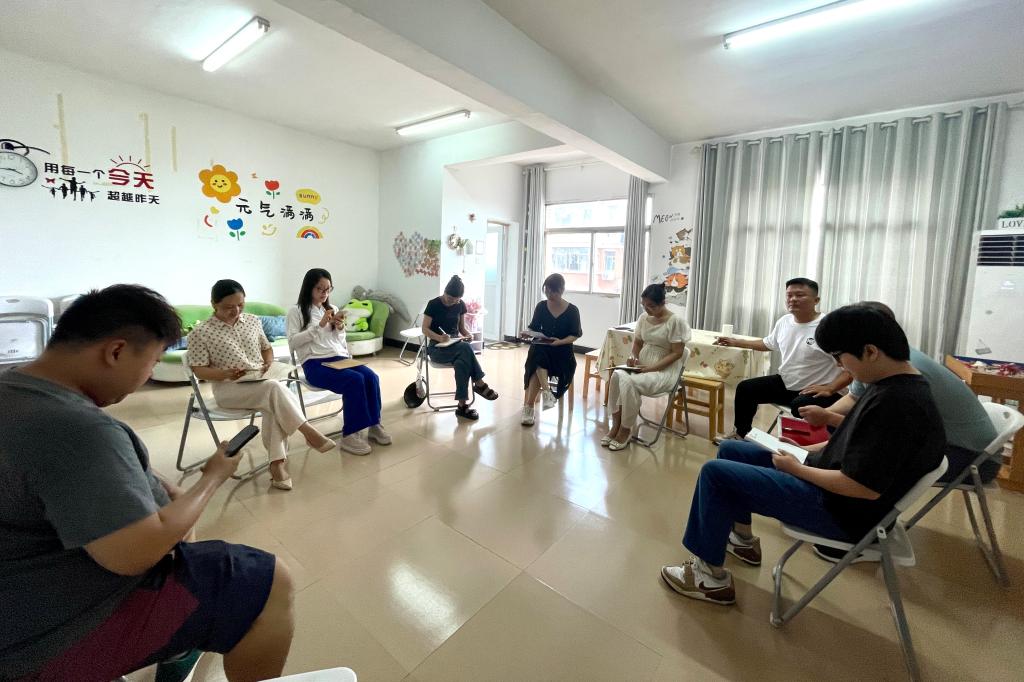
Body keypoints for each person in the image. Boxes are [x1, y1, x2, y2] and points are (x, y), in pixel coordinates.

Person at [0, 285, 294, 681]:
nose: (145, 379)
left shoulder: (14, 391)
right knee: (267, 580)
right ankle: (179, 641)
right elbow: (134, 554)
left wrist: (144, 478)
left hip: (23, 584)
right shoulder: (78, 430)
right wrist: (211, 478)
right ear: (116, 351)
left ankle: (179, 643)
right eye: (152, 361)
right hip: (40, 636)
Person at [660, 305, 945, 606]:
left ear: (871, 351)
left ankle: (709, 579)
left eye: (840, 357)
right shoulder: (889, 385)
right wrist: (803, 451)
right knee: (732, 450)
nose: (840, 367)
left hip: (840, 510)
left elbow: (863, 487)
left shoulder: (898, 405)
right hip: (829, 480)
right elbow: (857, 443)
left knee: (715, 475)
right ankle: (742, 540)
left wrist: (796, 468)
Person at [798, 301, 997, 562]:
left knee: (869, 471)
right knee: (852, 454)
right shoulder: (888, 360)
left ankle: (858, 535)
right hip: (955, 444)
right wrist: (820, 420)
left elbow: (873, 424)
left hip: (972, 458)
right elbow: (856, 403)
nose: (839, 364)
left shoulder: (897, 375)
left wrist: (816, 449)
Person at [187, 279, 336, 490]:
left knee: (272, 403)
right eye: (229, 307)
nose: (236, 311)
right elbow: (199, 369)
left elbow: (266, 348)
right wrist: (224, 373)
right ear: (214, 304)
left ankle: (277, 466)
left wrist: (268, 363)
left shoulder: (252, 321)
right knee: (274, 390)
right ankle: (308, 432)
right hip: (228, 388)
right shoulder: (200, 332)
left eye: (240, 305)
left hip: (260, 380)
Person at [713, 277, 850, 443]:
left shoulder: (829, 327)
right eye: (789, 295)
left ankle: (819, 446)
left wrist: (830, 388)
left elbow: (850, 368)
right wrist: (736, 342)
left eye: (800, 295)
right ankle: (742, 434)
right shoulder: (784, 321)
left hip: (819, 389)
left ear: (816, 300)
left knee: (800, 406)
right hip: (787, 383)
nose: (793, 299)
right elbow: (767, 343)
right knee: (746, 388)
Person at [287, 268, 391, 456]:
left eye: (328, 289)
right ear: (309, 288)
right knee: (354, 380)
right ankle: (350, 434)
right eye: (320, 289)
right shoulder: (296, 311)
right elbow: (293, 343)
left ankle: (374, 424)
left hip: (338, 358)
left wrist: (340, 327)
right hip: (314, 364)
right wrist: (319, 326)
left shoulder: (332, 309)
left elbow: (339, 341)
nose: (324, 293)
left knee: (371, 377)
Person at [603, 283, 690, 450]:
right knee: (616, 375)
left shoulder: (675, 321)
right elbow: (637, 342)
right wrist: (633, 357)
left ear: (663, 303)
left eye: (651, 306)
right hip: (642, 366)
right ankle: (616, 424)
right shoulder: (644, 318)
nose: (647, 309)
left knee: (629, 382)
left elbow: (677, 353)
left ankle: (626, 429)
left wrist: (651, 368)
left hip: (664, 372)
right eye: (644, 305)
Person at [421, 275, 498, 421]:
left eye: (456, 300)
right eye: (450, 299)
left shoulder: (460, 305)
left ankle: (462, 406)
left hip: (456, 346)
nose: (452, 302)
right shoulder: (433, 304)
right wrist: (439, 337)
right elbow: (424, 329)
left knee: (462, 363)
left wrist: (468, 334)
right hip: (437, 348)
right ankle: (479, 383)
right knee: (465, 349)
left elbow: (461, 328)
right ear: (445, 292)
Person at [520, 273, 582, 425]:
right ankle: (546, 393)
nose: (549, 295)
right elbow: (534, 327)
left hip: (562, 352)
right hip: (543, 347)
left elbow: (575, 335)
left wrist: (560, 342)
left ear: (561, 290)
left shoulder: (572, 310)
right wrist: (528, 333)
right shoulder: (541, 306)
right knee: (538, 354)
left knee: (537, 360)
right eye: (546, 291)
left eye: (552, 292)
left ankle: (529, 408)